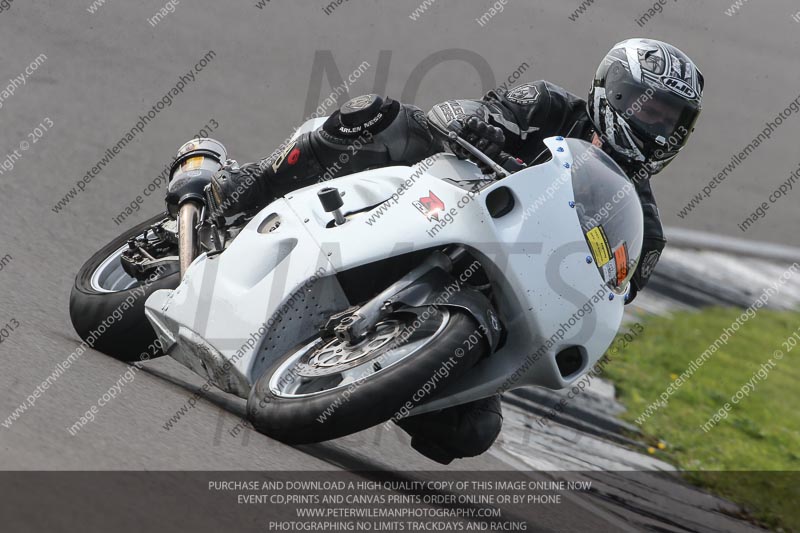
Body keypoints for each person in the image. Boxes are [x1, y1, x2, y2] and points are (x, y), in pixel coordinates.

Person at [209, 38, 703, 464]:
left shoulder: (645, 230)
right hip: (437, 200)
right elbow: (473, 111)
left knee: (473, 430)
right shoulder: (547, 105)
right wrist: (476, 123)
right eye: (647, 105)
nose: (654, 123)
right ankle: (250, 185)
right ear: (612, 89)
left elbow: (606, 296)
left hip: (496, 288)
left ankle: (375, 373)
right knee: (376, 115)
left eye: (668, 117)